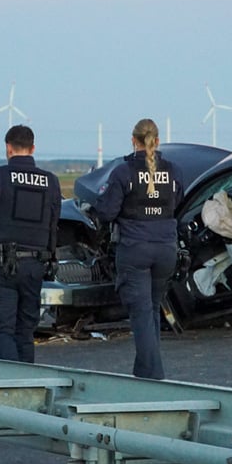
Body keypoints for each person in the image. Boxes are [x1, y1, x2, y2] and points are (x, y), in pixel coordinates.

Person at [91, 118, 184, 379]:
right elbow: (177, 202)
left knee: (141, 314)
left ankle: (154, 377)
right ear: (157, 141)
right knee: (151, 310)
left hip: (135, 250)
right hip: (166, 249)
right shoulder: (173, 170)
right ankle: (144, 373)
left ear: (133, 141)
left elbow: (107, 212)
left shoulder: (123, 172)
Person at [0, 125, 61, 363]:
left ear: (8, 148)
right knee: (25, 331)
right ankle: (29, 385)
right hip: (36, 266)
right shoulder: (51, 181)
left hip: (2, 268)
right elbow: (54, 222)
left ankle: (12, 386)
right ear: (33, 148)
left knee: (0, 329)